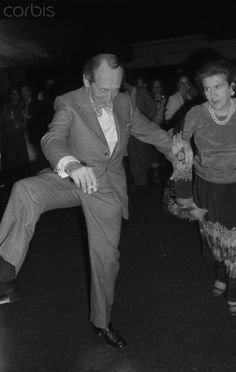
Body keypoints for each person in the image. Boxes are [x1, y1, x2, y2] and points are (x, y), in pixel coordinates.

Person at [0, 53, 178, 349]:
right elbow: (51, 139)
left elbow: (148, 130)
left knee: (107, 261)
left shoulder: (124, 102)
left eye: (116, 88)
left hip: (105, 188)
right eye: (103, 89)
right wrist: (71, 164)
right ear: (86, 81)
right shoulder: (69, 102)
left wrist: (175, 149)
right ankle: (4, 269)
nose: (110, 97)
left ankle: (102, 322)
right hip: (71, 176)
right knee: (25, 189)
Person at [169, 59, 236, 316]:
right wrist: (186, 200)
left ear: (231, 87)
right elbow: (181, 153)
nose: (212, 94)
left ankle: (234, 290)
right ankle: (221, 275)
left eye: (218, 87)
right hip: (207, 187)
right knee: (215, 241)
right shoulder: (197, 113)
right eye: (207, 89)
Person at [122, 71, 157, 189]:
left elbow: (152, 107)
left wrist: (146, 122)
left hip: (143, 130)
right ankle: (140, 183)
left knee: (143, 156)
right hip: (130, 132)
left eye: (123, 82)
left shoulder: (142, 92)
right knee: (133, 158)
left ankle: (144, 182)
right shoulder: (124, 95)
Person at [0, 86, 28, 184]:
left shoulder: (23, 105)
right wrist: (6, 119)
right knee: (12, 162)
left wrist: (23, 122)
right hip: (10, 138)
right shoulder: (6, 108)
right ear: (10, 96)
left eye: (17, 93)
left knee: (23, 162)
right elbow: (1, 123)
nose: (15, 96)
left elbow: (29, 120)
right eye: (13, 94)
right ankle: (12, 184)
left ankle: (23, 183)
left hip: (22, 137)